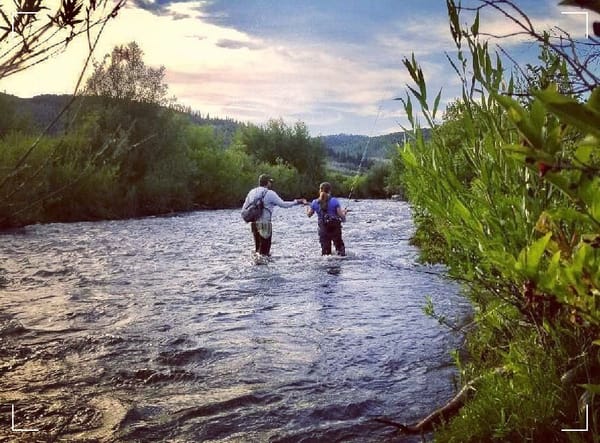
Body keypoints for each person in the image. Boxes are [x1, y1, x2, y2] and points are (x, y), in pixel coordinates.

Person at [243, 174, 306, 256]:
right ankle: (265, 267)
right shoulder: (270, 193)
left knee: (257, 250)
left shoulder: (252, 192)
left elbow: (244, 209)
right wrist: (296, 202)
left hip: (254, 224)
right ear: (267, 183)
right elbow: (283, 204)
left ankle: (257, 266)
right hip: (265, 224)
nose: (271, 184)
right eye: (270, 182)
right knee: (265, 252)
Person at [306, 182, 347, 256]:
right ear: (330, 191)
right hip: (335, 228)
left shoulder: (315, 202)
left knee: (326, 253)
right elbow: (341, 216)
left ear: (320, 190)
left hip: (323, 229)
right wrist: (344, 215)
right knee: (340, 251)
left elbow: (309, 215)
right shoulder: (334, 200)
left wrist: (307, 207)